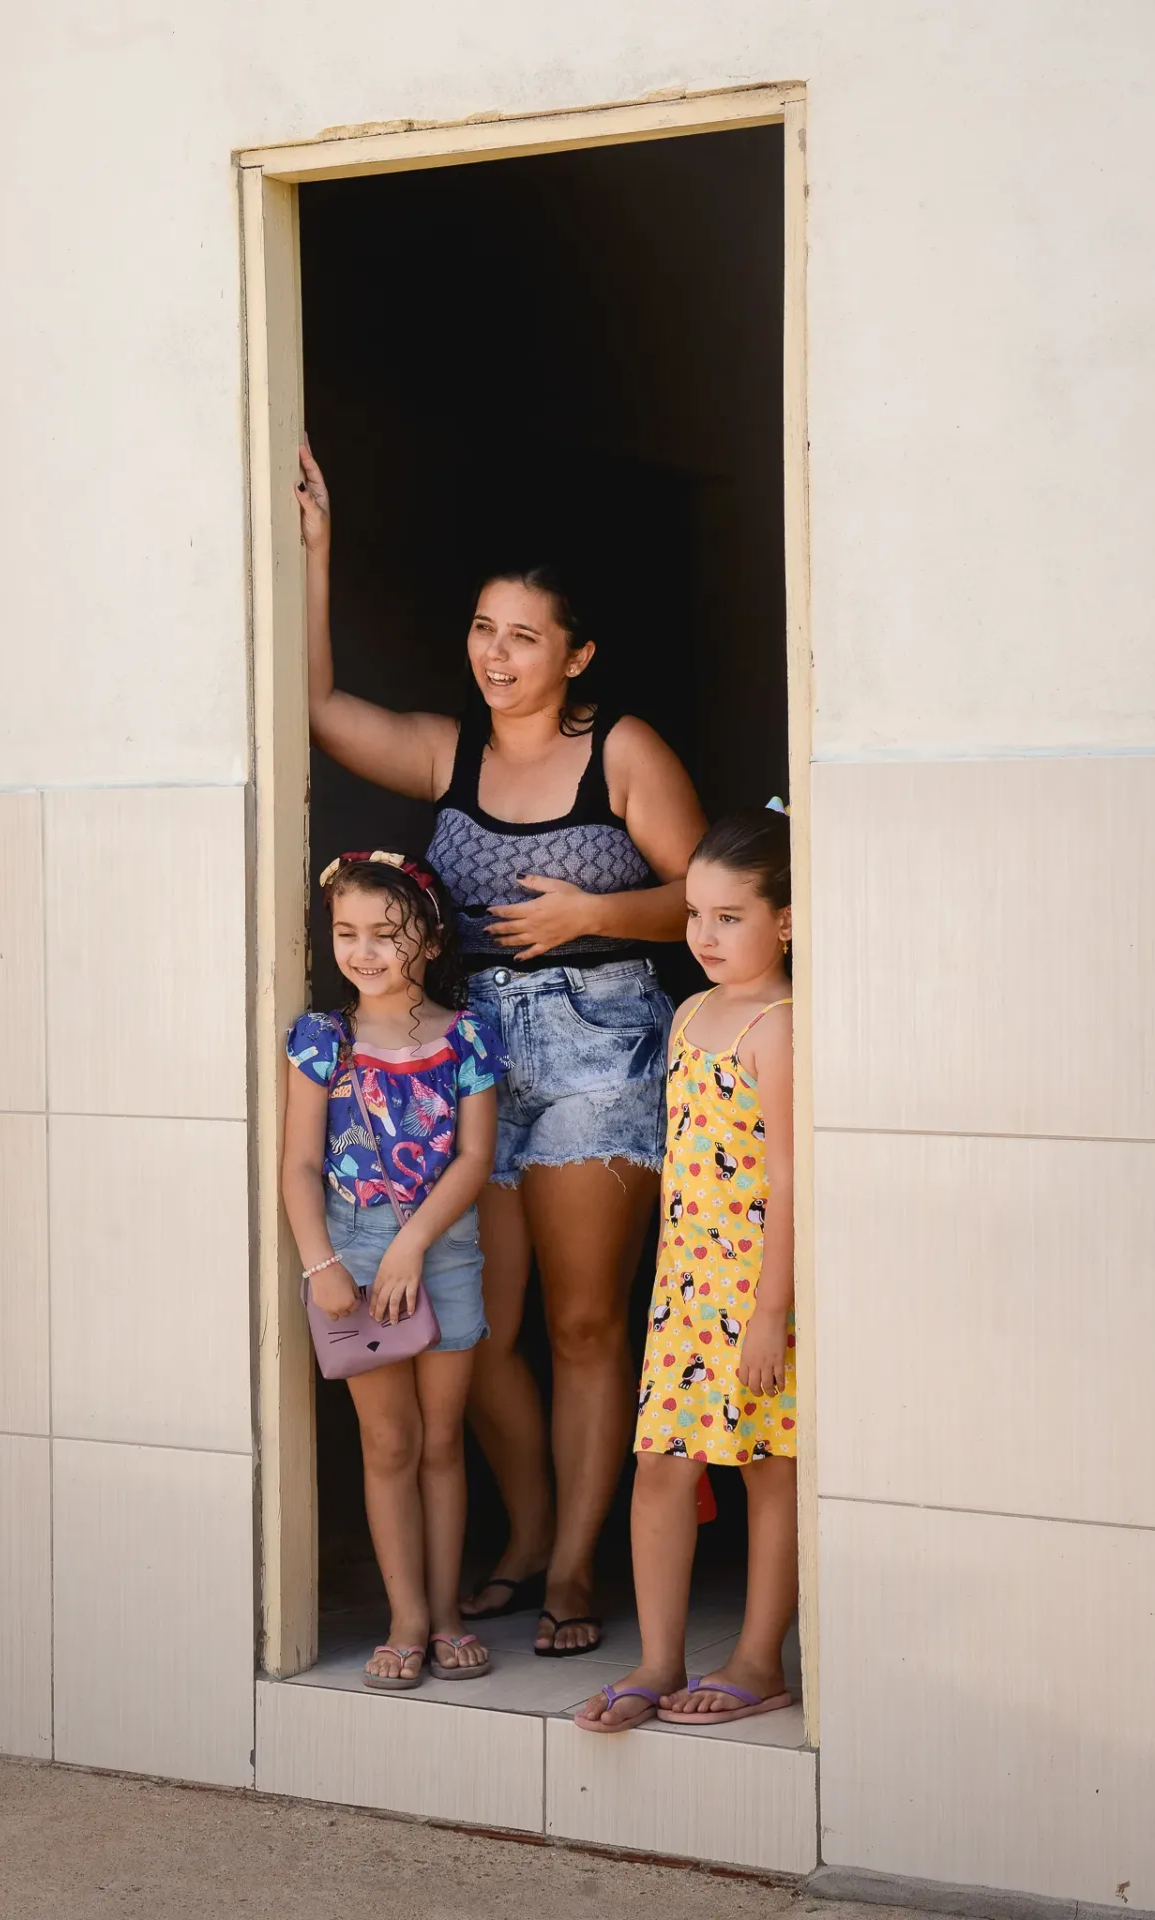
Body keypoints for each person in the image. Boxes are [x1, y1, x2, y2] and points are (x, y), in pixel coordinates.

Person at [295, 443, 706, 1655]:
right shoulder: (447, 754)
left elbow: (705, 896)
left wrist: (587, 913)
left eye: (523, 636)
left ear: (574, 655)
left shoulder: (618, 750)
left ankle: (574, 1566)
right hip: (476, 1060)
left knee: (582, 1325)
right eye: (483, 629)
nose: (495, 653)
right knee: (481, 1326)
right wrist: (318, 558)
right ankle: (528, 1530)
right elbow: (318, 712)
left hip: (599, 1043)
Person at [575, 808, 797, 1730]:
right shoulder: (691, 1012)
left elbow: (790, 1181)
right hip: (685, 1294)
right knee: (661, 1464)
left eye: (730, 917)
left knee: (767, 1469)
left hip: (757, 1297)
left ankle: (757, 1659)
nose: (703, 935)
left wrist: (770, 1313)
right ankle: (659, 1658)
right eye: (696, 914)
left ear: (786, 920)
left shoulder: (782, 1028)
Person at [281, 851, 509, 1689]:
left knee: (443, 1440)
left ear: (430, 935)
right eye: (347, 933)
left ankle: (447, 1614)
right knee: (389, 1441)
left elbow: (475, 1156)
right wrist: (322, 1264)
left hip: (441, 1248)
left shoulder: (468, 1035)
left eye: (386, 932)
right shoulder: (321, 1039)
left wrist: (413, 1245)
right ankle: (406, 1617)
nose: (365, 950)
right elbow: (301, 1166)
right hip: (352, 1247)